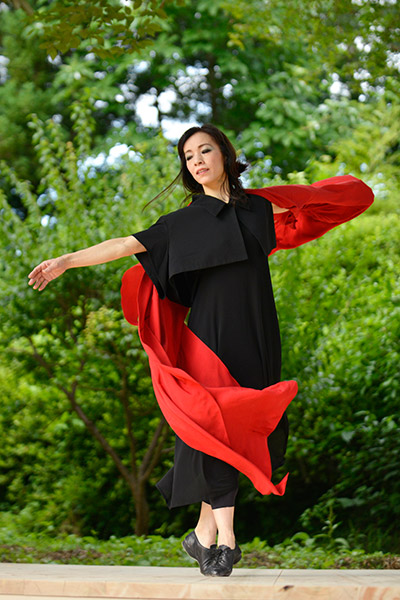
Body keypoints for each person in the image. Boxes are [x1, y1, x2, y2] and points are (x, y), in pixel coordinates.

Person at [28, 124, 374, 577]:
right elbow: (125, 245)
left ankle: (200, 535)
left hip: (258, 334)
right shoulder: (183, 223)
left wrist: (300, 194)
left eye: (205, 150)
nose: (196, 161)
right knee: (216, 424)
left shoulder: (260, 209)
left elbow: (341, 202)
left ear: (225, 154)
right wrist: (65, 261)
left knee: (244, 431)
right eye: (188, 156)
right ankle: (226, 542)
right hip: (209, 337)